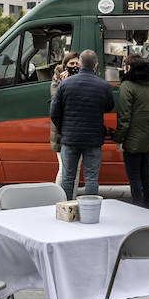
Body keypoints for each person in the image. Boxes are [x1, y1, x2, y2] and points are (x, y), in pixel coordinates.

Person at [49, 49, 114, 200]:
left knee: (68, 178)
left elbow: (54, 112)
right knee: (91, 179)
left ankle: (67, 212)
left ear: (80, 64)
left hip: (70, 139)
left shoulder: (65, 84)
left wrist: (63, 129)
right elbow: (109, 106)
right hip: (93, 139)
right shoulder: (103, 85)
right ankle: (90, 213)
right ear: (95, 65)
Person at [115, 54, 149, 209]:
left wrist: (119, 139)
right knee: (145, 173)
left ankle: (138, 206)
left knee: (134, 176)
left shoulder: (127, 85)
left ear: (128, 67)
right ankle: (148, 206)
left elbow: (124, 116)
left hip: (132, 137)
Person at [48, 51, 79, 155]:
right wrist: (64, 83)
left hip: (75, 131)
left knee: (76, 168)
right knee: (63, 169)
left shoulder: (80, 79)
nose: (75, 66)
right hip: (60, 132)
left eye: (77, 64)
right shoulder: (57, 80)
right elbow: (57, 101)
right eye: (71, 63)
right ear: (65, 65)